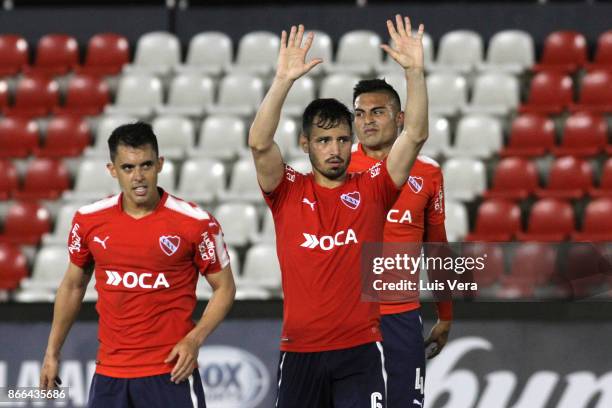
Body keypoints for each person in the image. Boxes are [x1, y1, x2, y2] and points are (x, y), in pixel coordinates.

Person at [248, 16, 428, 408]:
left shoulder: (374, 188)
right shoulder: (286, 191)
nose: (335, 149)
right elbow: (260, 143)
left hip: (360, 352)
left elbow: (414, 134)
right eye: (324, 140)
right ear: (305, 143)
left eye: (343, 139)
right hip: (299, 354)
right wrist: (283, 81)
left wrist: (415, 73)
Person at [39, 122, 236, 408]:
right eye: (128, 168)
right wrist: (52, 352)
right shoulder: (88, 221)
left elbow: (225, 288)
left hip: (170, 372)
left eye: (146, 165)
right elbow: (73, 285)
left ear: (160, 164)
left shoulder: (195, 223)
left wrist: (194, 340)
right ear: (112, 170)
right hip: (110, 375)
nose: (138, 177)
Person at [349, 75, 453, 406]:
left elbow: (437, 245)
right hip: (347, 319)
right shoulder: (335, 168)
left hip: (402, 317)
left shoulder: (428, 173)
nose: (367, 121)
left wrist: (445, 313)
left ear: (400, 118)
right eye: (360, 113)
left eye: (377, 112)